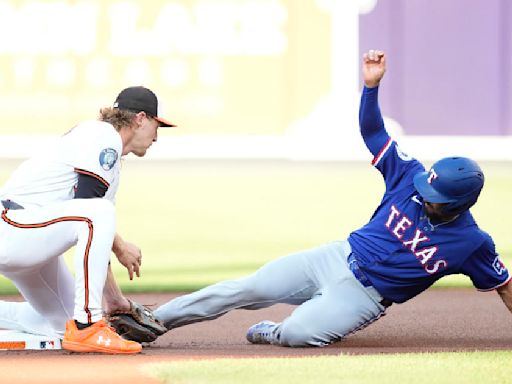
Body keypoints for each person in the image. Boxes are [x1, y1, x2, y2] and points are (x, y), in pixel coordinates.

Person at [148, 50, 512, 347]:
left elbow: (504, 286)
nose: (425, 194)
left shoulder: (472, 243)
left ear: (460, 204)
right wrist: (371, 88)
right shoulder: (408, 176)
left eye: (435, 196)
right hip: (333, 257)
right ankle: (150, 321)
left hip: (363, 298)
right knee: (247, 287)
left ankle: (276, 332)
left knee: (297, 334)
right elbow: (373, 131)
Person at [0, 86, 175, 353]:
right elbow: (89, 213)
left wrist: (115, 300)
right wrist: (120, 249)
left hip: (30, 236)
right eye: (157, 125)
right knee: (99, 213)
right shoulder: (103, 135)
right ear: (140, 118)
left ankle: (80, 324)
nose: (157, 137)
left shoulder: (105, 150)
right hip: (13, 226)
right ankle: (88, 326)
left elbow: (89, 225)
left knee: (60, 325)